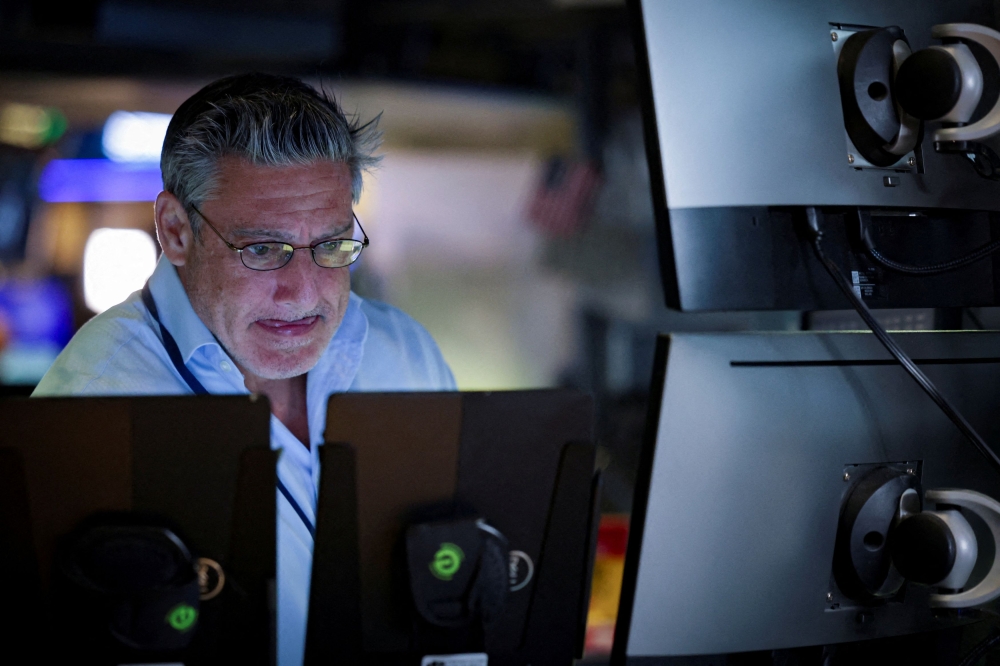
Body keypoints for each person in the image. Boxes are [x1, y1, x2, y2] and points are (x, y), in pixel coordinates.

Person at [33, 73, 456, 665]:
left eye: (332, 244)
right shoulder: (93, 403)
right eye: (261, 250)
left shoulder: (404, 353)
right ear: (176, 231)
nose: (303, 292)